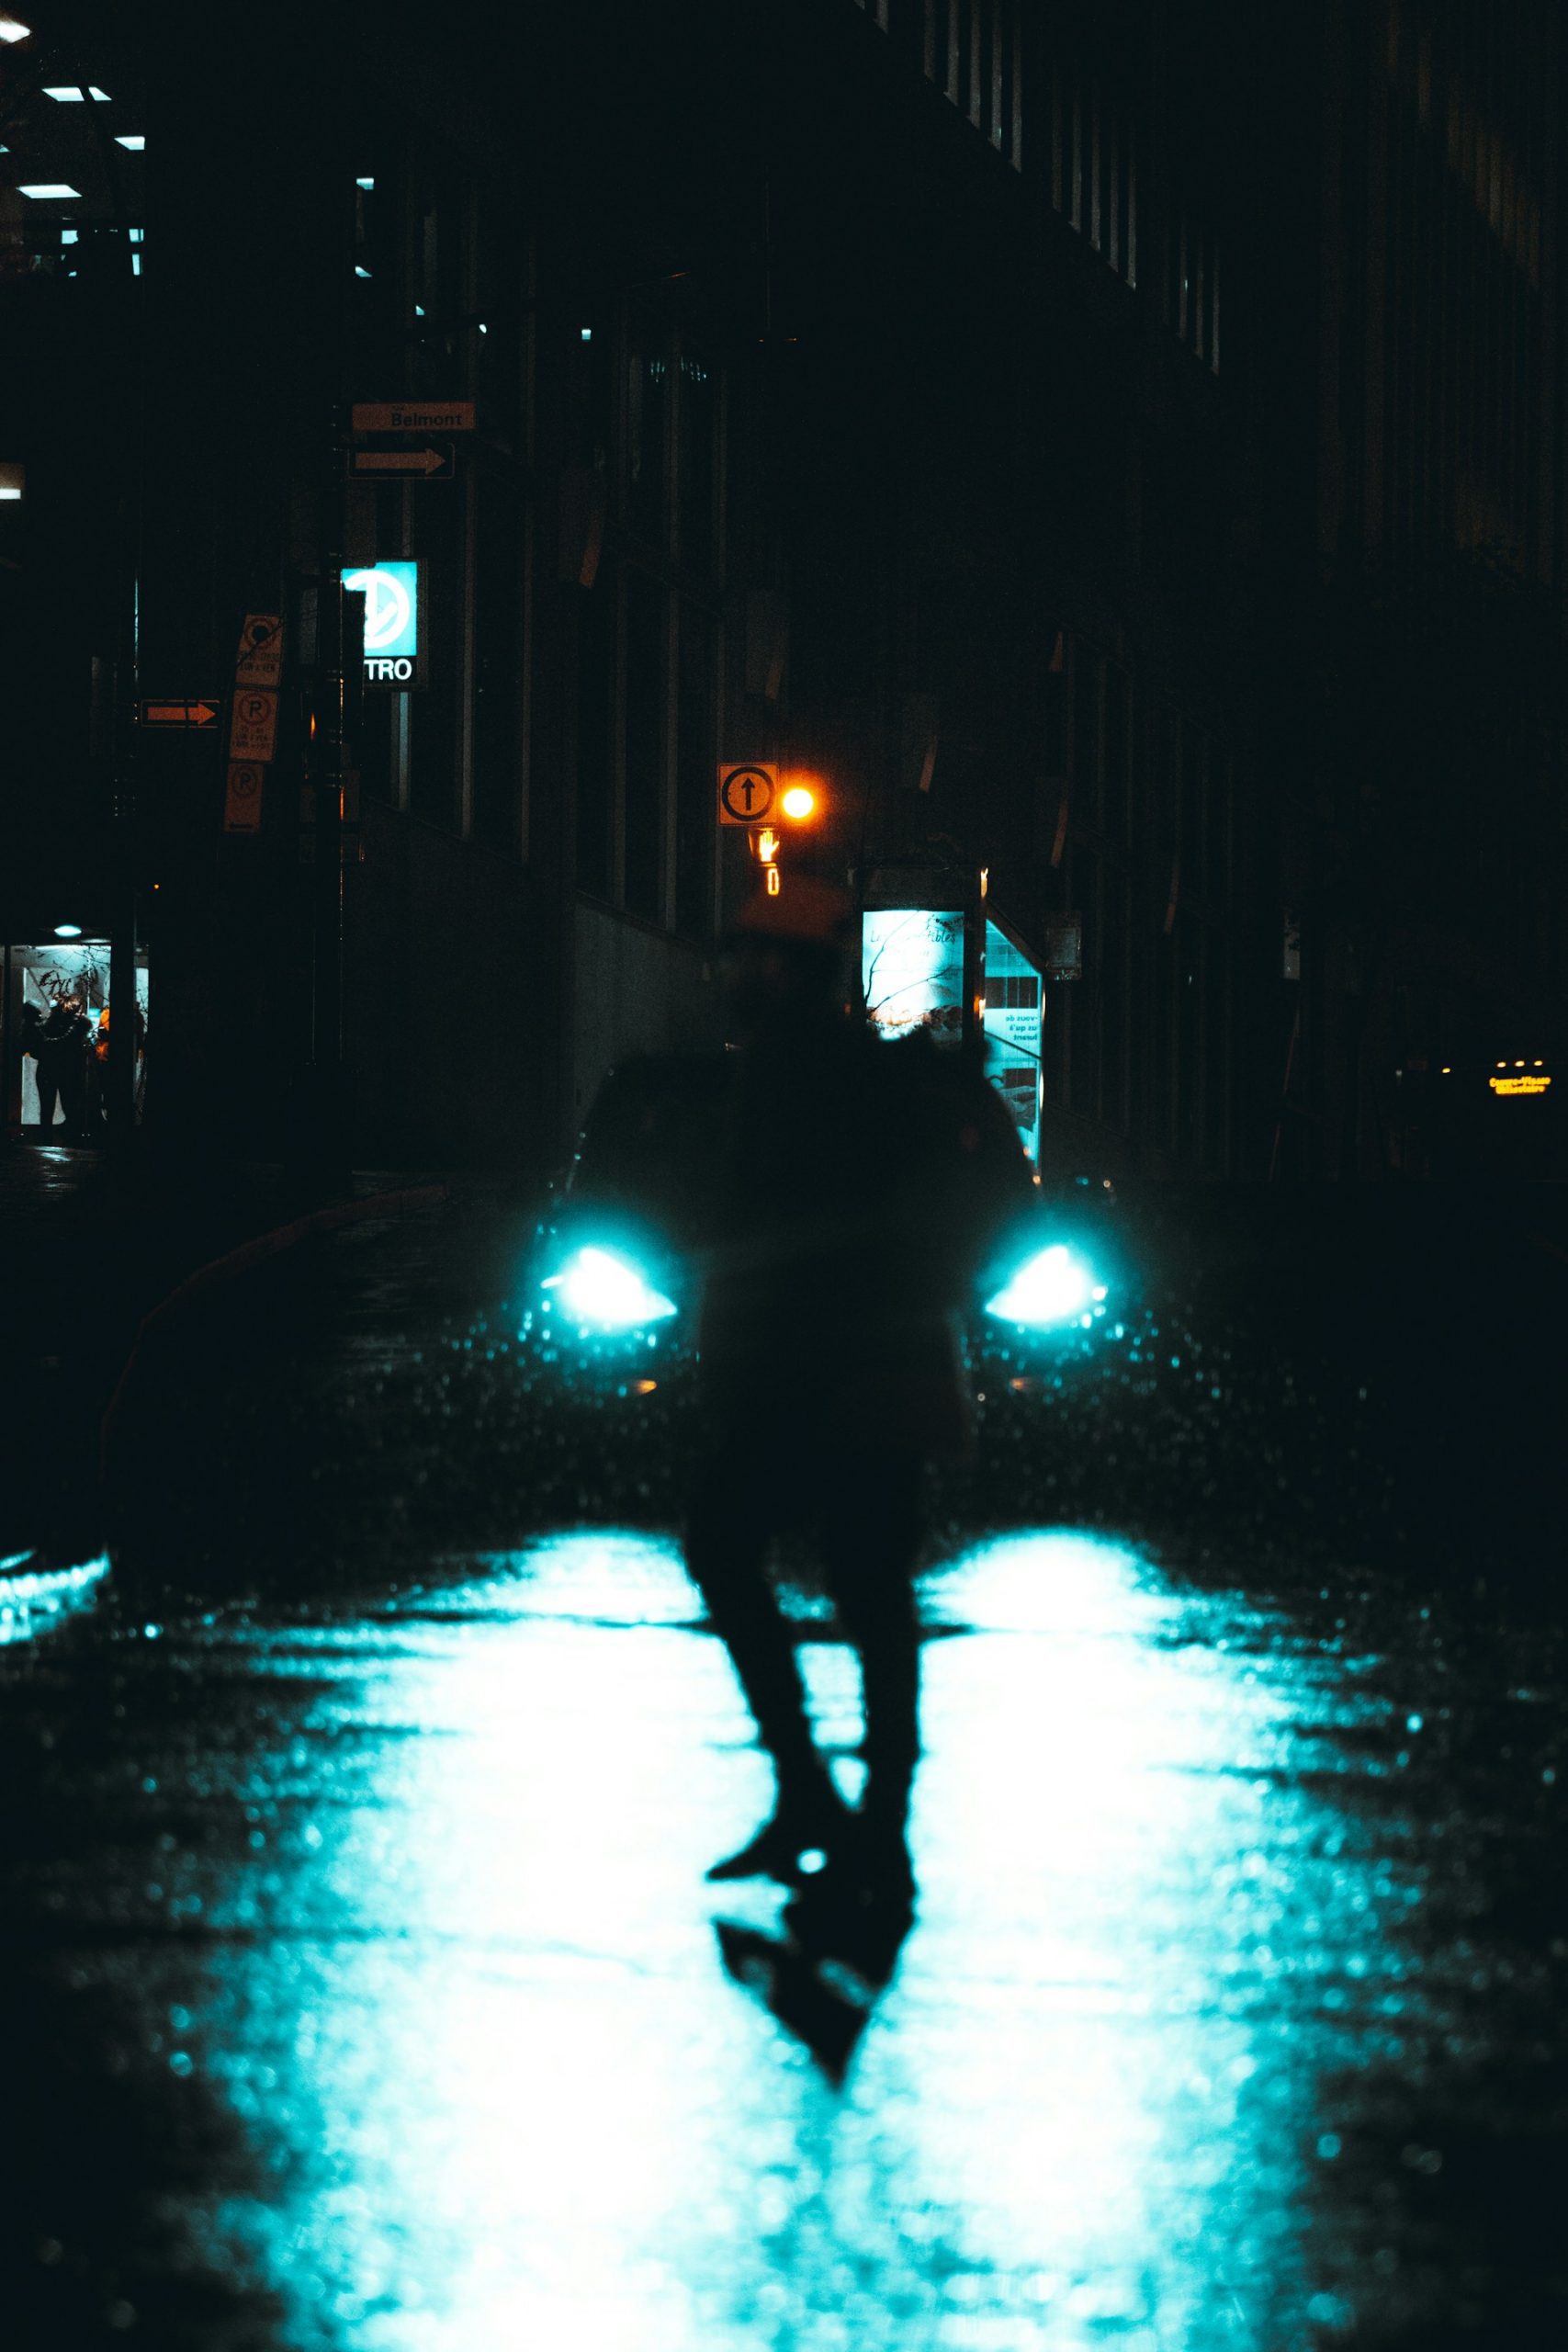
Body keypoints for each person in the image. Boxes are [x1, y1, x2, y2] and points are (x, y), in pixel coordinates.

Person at [569, 879, 1035, 1927]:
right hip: (861, 1373)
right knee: (858, 1592)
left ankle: (835, 1810)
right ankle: (853, 1820)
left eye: (748, 959)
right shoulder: (823, 1071)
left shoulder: (818, 1079)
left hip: (835, 1379)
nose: (732, 977)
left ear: (790, 971)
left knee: (770, 1563)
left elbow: (784, 1238)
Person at [29, 992, 93, 1142]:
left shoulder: (46, 1027)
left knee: (47, 1108)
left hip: (47, 1070)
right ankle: (71, 1138)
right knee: (69, 1105)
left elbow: (35, 1051)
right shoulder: (77, 1026)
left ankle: (47, 1138)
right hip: (67, 1070)